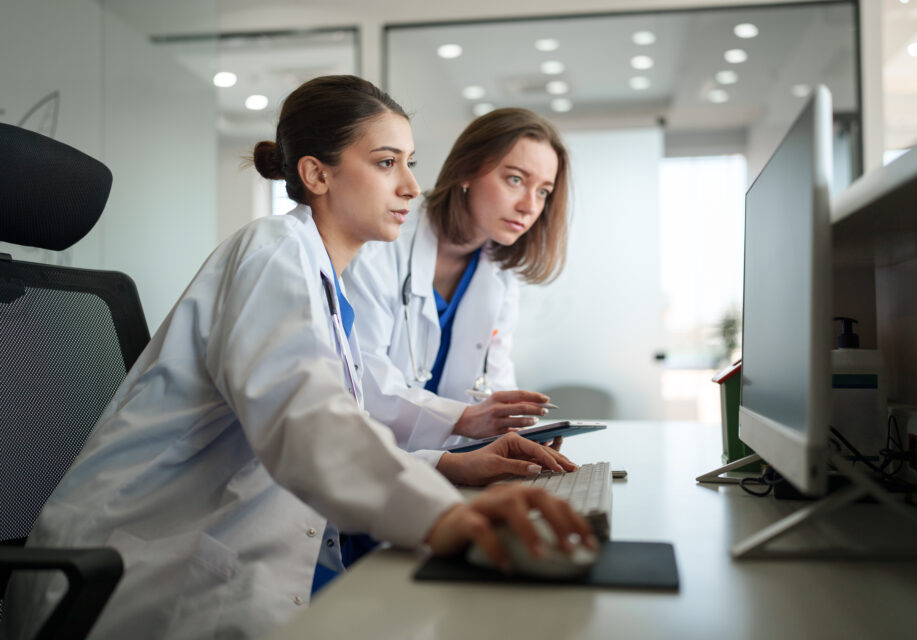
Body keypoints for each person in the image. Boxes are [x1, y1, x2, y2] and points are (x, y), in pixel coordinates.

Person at [3, 77, 592, 640]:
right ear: (316, 173)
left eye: (409, 163)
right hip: (138, 581)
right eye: (387, 163)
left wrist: (446, 465)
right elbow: (304, 418)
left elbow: (331, 418)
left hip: (224, 558)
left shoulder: (321, 280)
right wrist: (443, 516)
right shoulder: (271, 252)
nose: (412, 187)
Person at [343, 108, 570, 452]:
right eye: (515, 180)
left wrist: (517, 433)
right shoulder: (381, 247)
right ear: (466, 170)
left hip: (445, 461)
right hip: (370, 458)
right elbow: (363, 377)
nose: (529, 206)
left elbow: (494, 376)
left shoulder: (499, 271)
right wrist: (462, 419)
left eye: (543, 192)